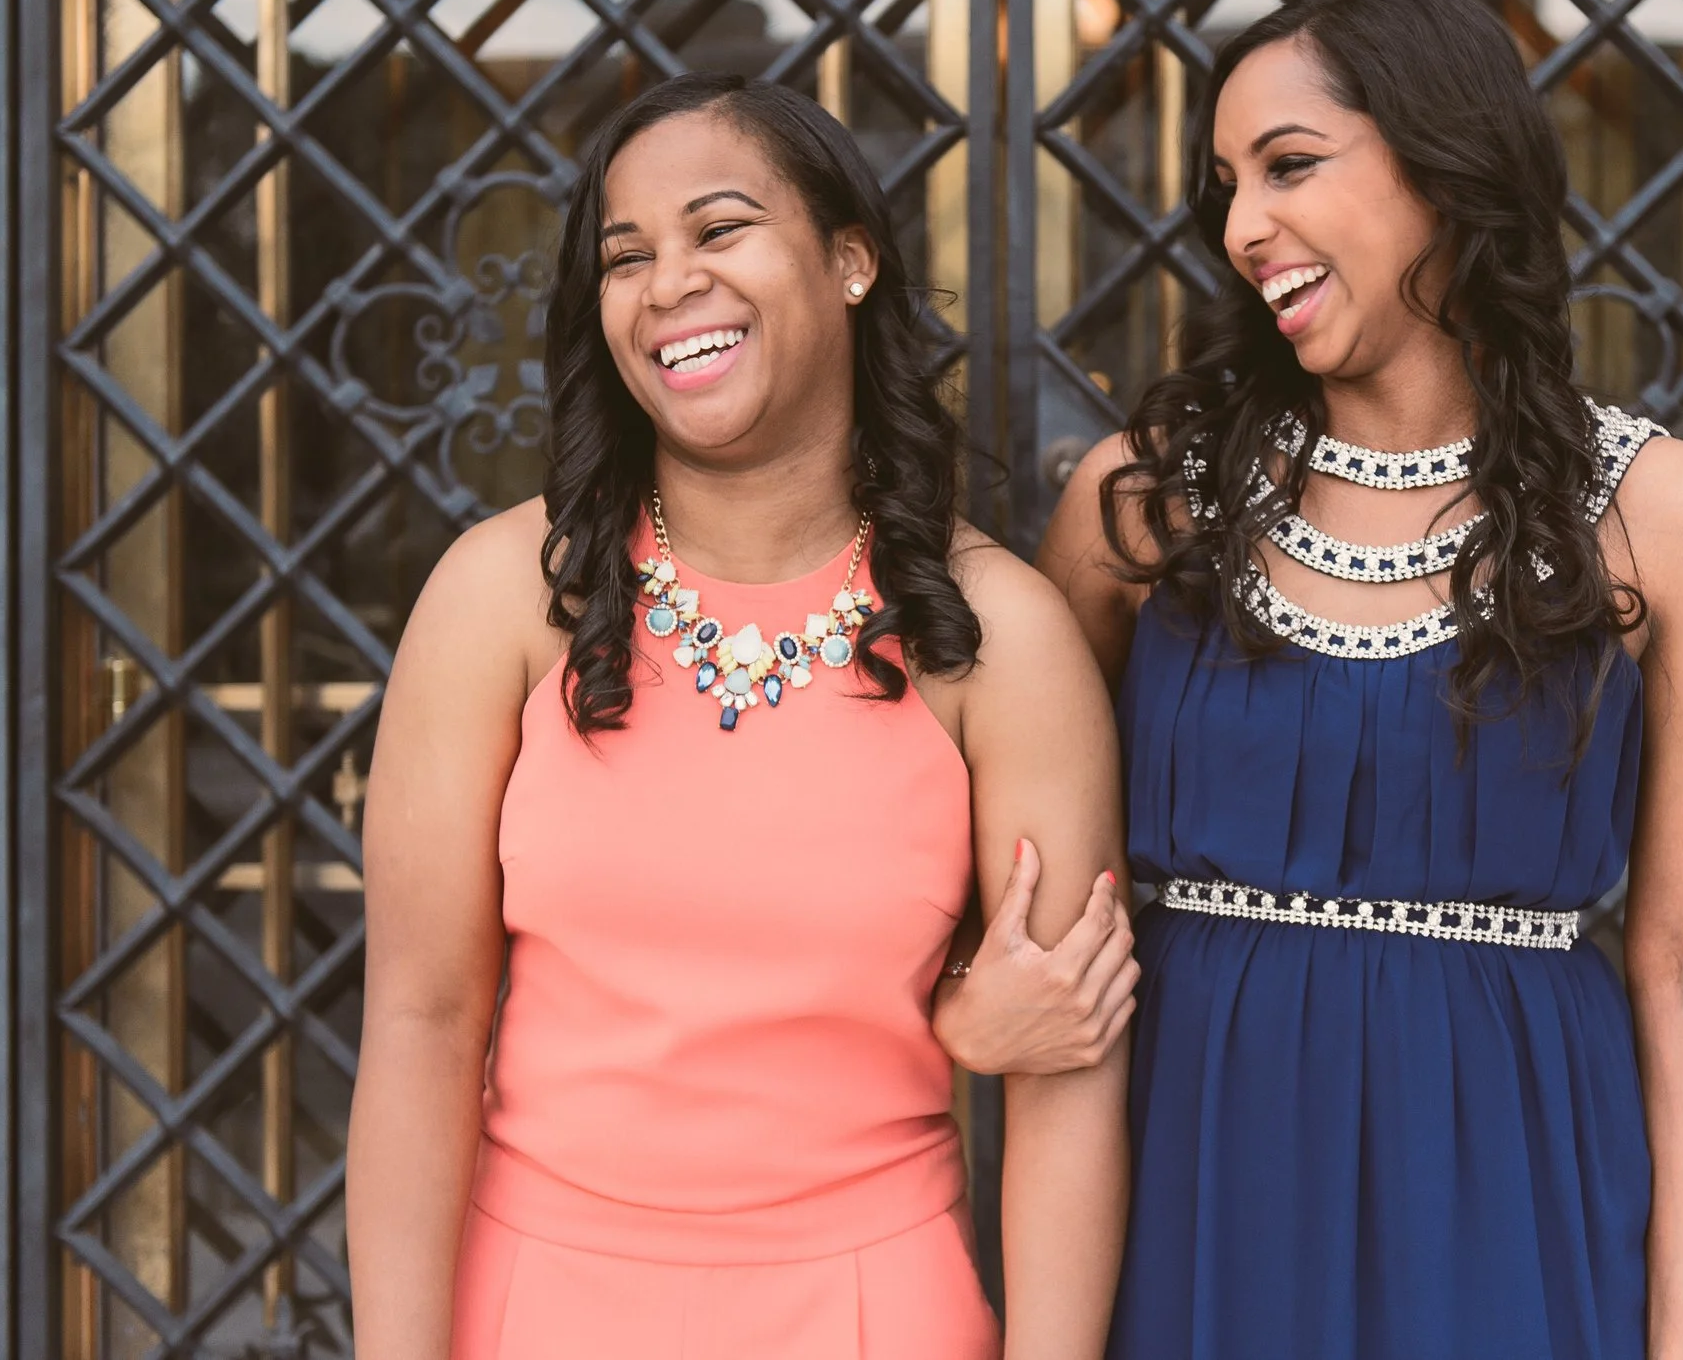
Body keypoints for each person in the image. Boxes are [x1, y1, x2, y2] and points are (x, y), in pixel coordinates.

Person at [945, 0, 1683, 1359]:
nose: (1242, 224)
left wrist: (1677, 1340)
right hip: (1193, 1183)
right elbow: (982, 874)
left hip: (1506, 1196)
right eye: (1225, 184)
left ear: (1446, 170)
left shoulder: (1670, 516)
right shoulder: (1148, 507)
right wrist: (964, 998)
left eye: (1290, 165)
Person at [345, 73, 1130, 1360]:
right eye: (625, 255)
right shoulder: (501, 597)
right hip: (534, 1302)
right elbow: (422, 1021)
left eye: (718, 231)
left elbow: (1067, 1068)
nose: (666, 285)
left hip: (877, 1310)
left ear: (850, 261)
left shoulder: (1001, 637)